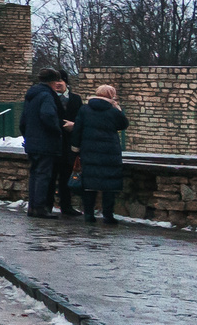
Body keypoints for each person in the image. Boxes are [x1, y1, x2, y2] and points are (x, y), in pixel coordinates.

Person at [75, 85, 129, 223]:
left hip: (89, 151)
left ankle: (88, 214)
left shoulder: (84, 109)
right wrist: (118, 109)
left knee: (89, 184)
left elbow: (77, 129)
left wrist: (75, 148)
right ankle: (108, 215)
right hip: (109, 152)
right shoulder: (113, 111)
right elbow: (123, 125)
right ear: (111, 95)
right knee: (109, 185)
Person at [21, 69, 71, 217]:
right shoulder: (47, 96)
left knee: (35, 174)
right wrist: (57, 130)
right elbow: (48, 115)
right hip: (45, 142)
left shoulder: (31, 95)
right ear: (53, 81)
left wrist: (28, 136)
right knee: (43, 175)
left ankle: (32, 207)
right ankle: (40, 207)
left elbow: (23, 121)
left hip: (32, 142)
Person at [56, 80, 85, 219]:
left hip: (71, 143)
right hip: (55, 141)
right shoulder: (50, 97)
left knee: (68, 174)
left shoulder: (75, 98)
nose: (58, 83)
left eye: (60, 80)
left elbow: (81, 118)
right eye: (55, 80)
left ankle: (67, 206)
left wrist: (75, 126)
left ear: (66, 83)